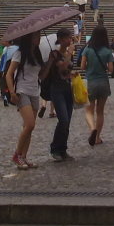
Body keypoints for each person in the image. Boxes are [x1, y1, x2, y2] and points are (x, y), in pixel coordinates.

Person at [6, 32, 44, 169]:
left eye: (39, 36)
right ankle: (17, 155)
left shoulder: (37, 55)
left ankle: (24, 156)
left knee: (28, 128)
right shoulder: (19, 53)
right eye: (36, 36)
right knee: (30, 124)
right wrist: (12, 92)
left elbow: (42, 76)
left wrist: (51, 61)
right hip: (22, 91)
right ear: (29, 38)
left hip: (34, 91)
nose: (38, 39)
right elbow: (9, 74)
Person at [41, 28, 76, 162]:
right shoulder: (54, 54)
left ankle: (63, 149)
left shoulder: (66, 53)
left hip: (67, 88)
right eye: (68, 38)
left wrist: (72, 74)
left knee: (68, 121)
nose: (70, 40)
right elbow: (62, 66)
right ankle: (55, 148)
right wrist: (70, 53)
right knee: (63, 120)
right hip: (57, 90)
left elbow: (66, 71)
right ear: (61, 39)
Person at [81, 25, 114, 147]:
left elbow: (82, 67)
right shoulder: (107, 51)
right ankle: (98, 137)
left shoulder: (87, 49)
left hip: (91, 82)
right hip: (103, 83)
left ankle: (92, 129)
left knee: (89, 110)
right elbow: (111, 70)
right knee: (100, 111)